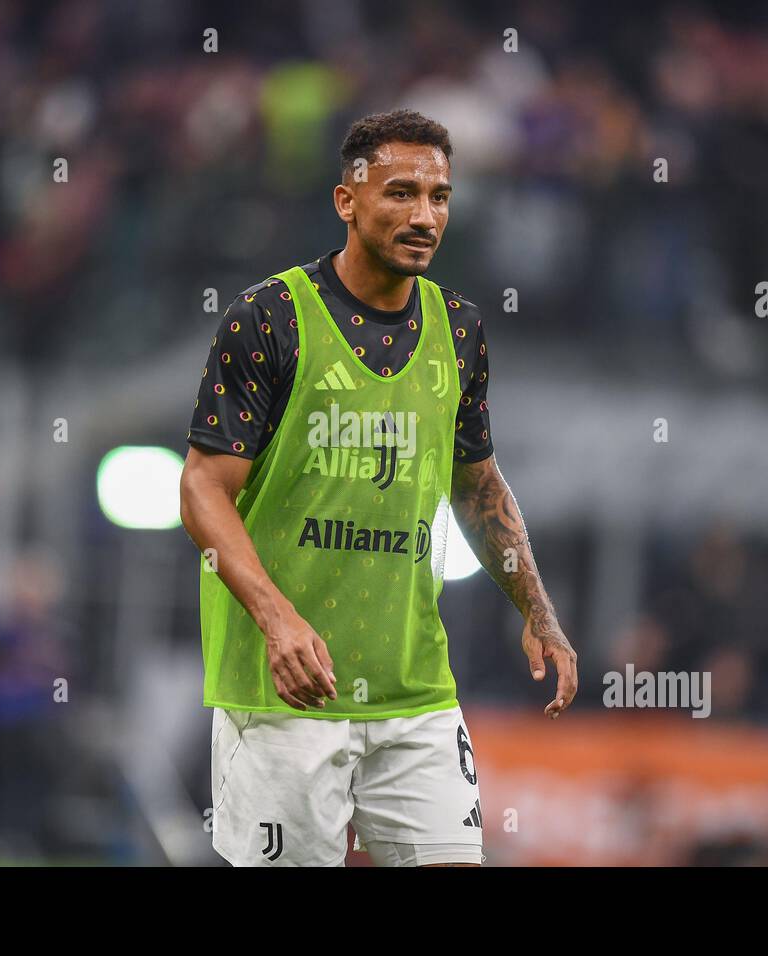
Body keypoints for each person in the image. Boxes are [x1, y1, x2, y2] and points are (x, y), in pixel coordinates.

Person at [179, 109, 577, 867]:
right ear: (347, 201)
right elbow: (202, 489)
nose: (425, 215)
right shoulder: (269, 318)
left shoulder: (460, 330)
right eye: (401, 193)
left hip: (414, 694)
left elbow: (477, 484)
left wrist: (538, 610)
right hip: (282, 696)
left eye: (439, 196)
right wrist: (277, 620)